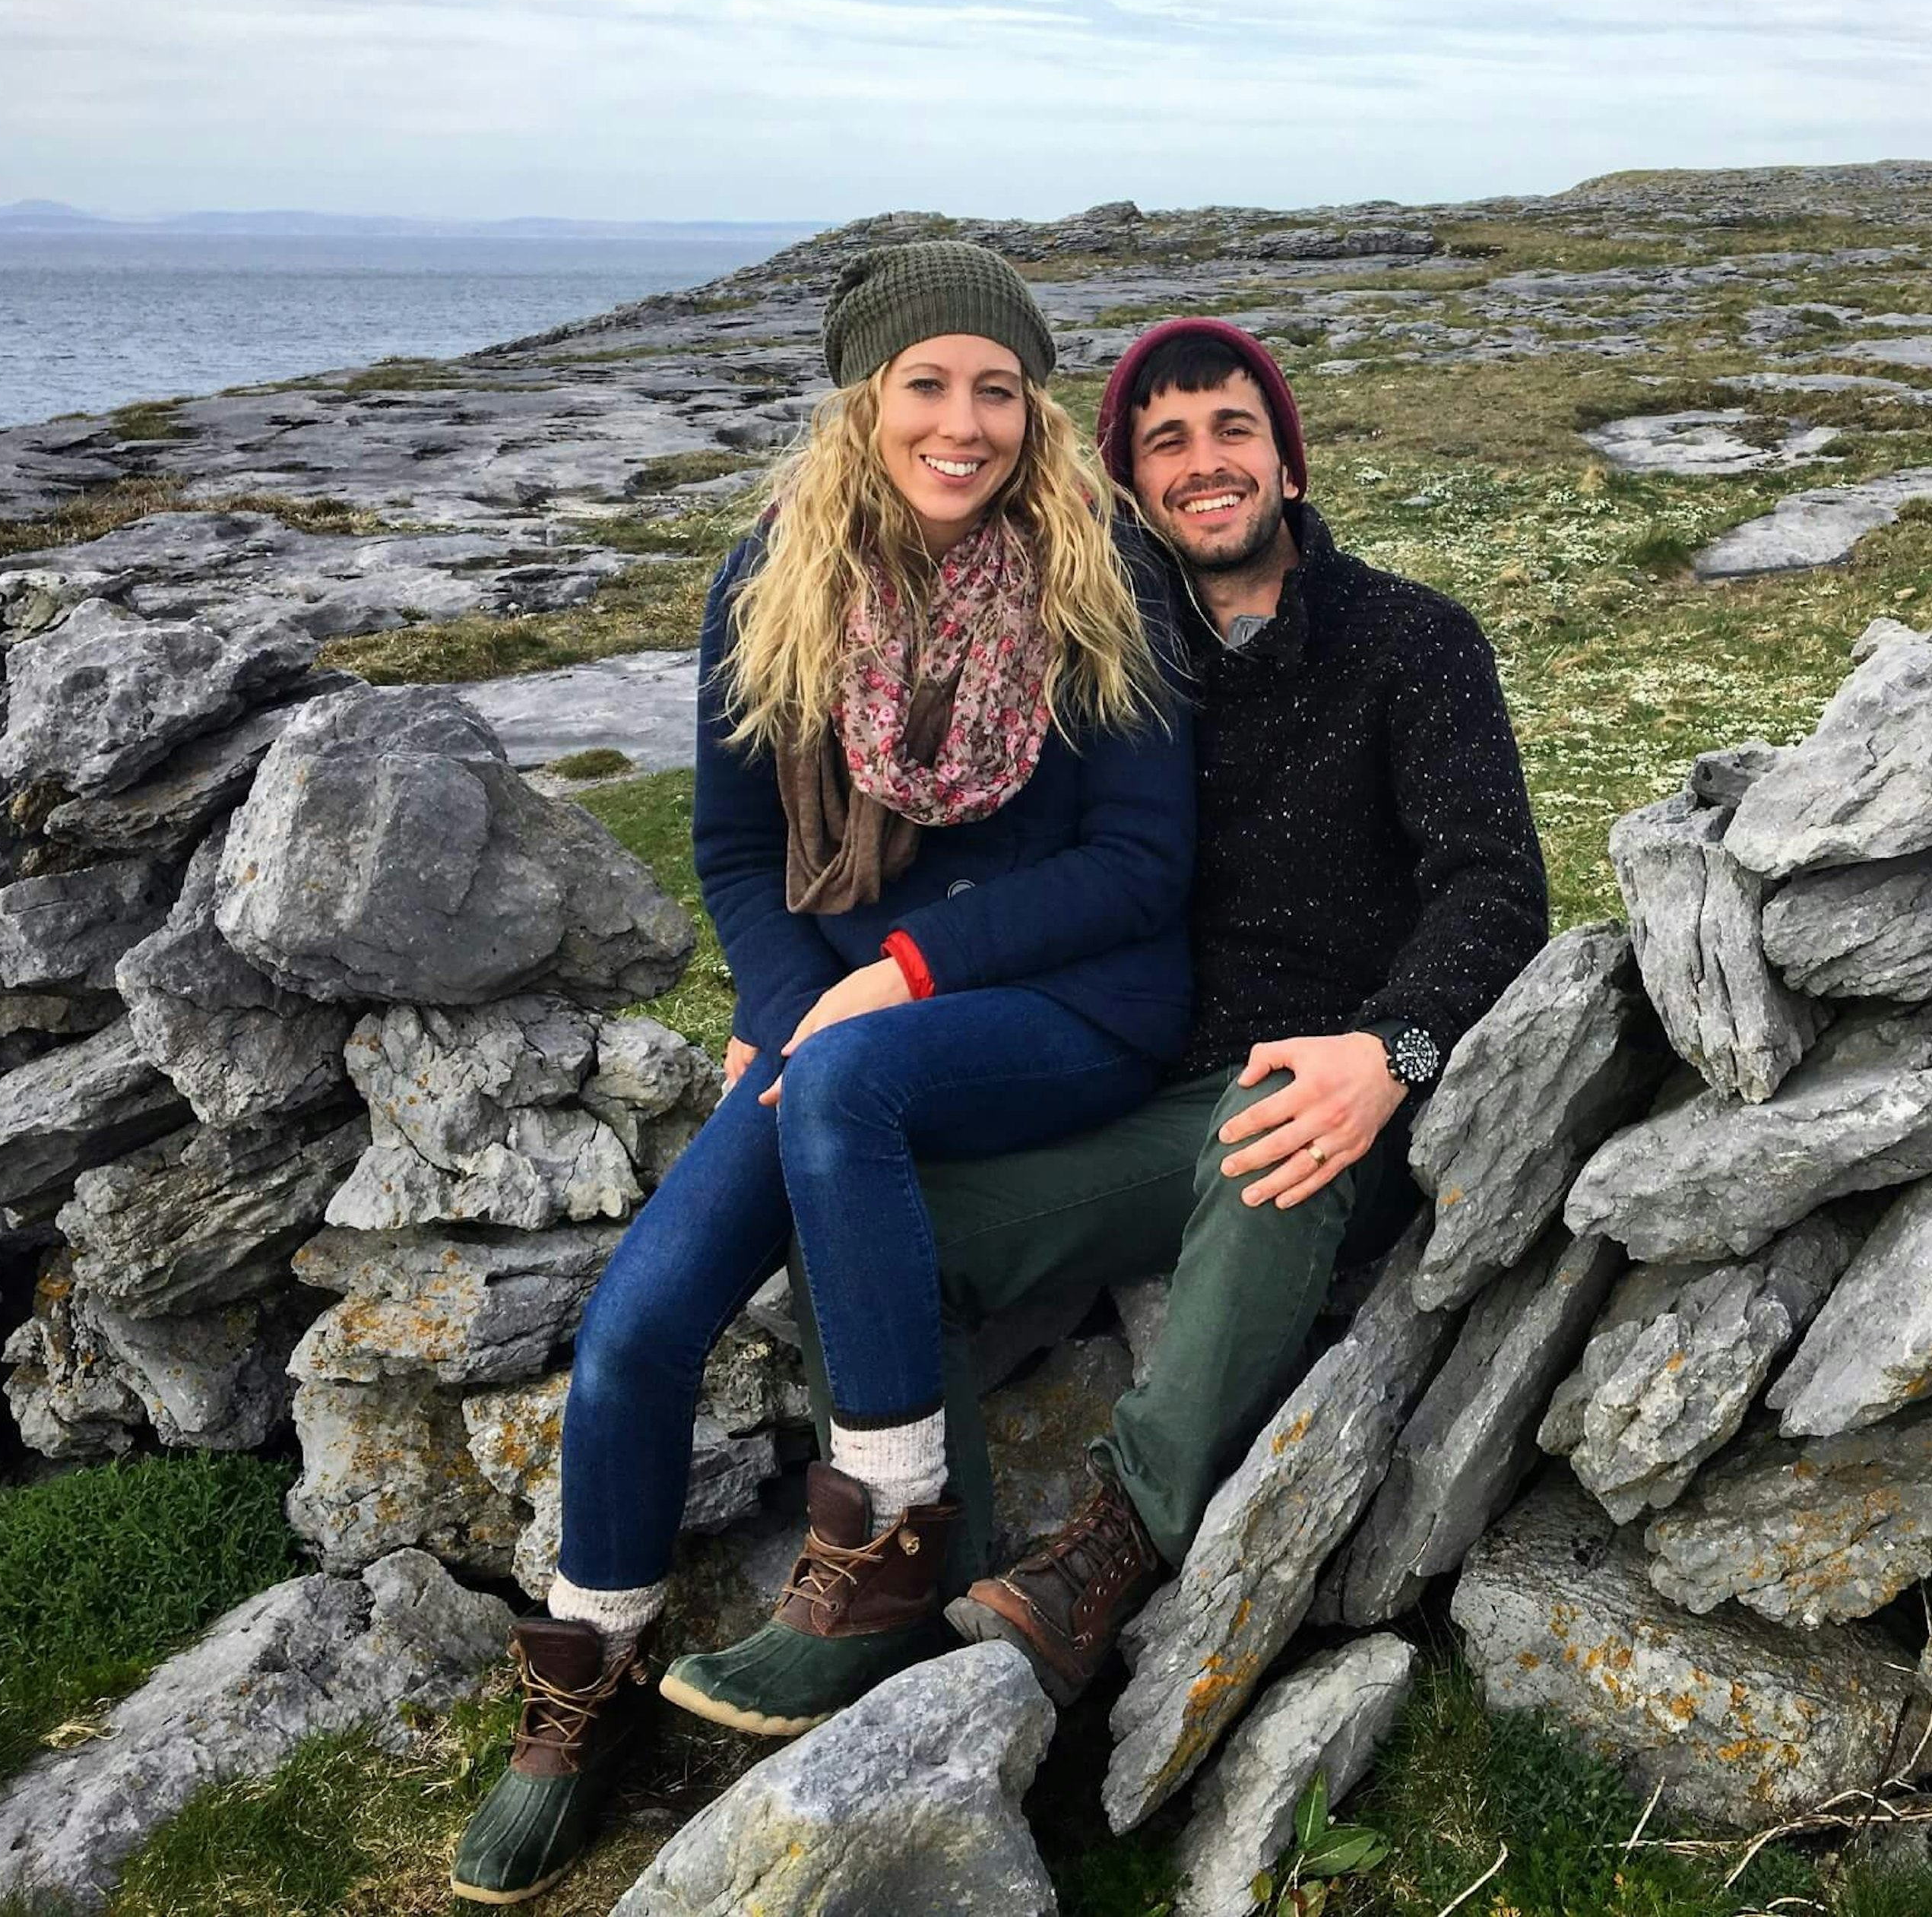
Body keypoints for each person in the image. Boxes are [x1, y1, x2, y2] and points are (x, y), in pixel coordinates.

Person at [450, 242, 1192, 1906]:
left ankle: (893, 1532)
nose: (966, 420)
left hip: (1073, 1003)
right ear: (863, 403)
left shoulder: (1099, 578)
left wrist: (896, 978)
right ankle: (590, 1685)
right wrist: (799, 1005)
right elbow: (730, 847)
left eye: (997, 387)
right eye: (927, 383)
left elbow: (1144, 864)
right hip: (845, 1020)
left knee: (850, 1094)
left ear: (1035, 408)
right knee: (638, 1323)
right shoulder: (771, 577)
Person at [915, 316, 1550, 1703]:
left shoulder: (1416, 641)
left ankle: (1107, 1549)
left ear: (1288, 461)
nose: (1206, 464)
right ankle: (926, 1572)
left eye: (1233, 430)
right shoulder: (1113, 670)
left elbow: (1496, 893)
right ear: (1135, 489)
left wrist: (1394, 1051)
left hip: (1343, 1093)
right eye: (1167, 441)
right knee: (909, 1228)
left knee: (1275, 1129)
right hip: (1153, 1095)